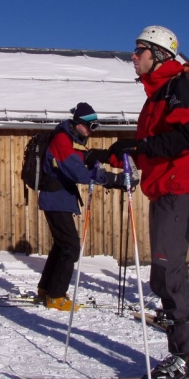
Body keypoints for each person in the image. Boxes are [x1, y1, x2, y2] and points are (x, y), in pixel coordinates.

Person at [88, 26, 189, 379]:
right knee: (167, 276)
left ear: (158, 54)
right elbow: (152, 145)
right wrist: (111, 151)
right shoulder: (157, 94)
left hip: (178, 189)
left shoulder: (178, 88)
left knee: (167, 276)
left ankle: (185, 356)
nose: (133, 56)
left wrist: (137, 149)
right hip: (165, 190)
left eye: (139, 50)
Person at [37, 102, 135, 311]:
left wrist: (99, 156)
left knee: (62, 245)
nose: (92, 131)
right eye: (91, 126)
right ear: (79, 123)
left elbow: (80, 158)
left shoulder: (71, 139)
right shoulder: (62, 140)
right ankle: (55, 296)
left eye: (95, 127)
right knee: (71, 246)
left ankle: (46, 289)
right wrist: (112, 179)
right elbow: (78, 172)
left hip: (59, 198)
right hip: (56, 198)